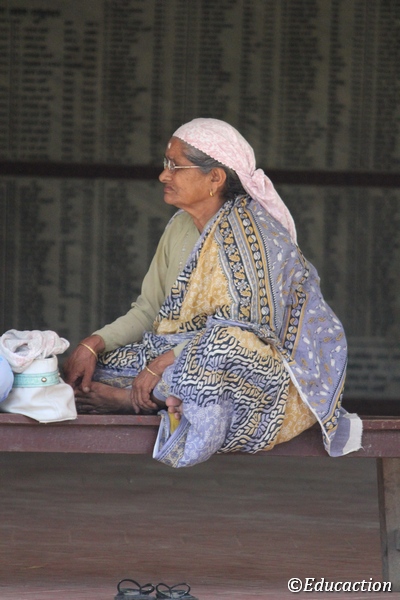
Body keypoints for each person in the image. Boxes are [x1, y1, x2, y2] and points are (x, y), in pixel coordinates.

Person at [64, 118, 362, 467]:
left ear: (215, 178)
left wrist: (159, 365)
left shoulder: (254, 234)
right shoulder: (178, 227)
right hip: (183, 357)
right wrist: (92, 345)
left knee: (222, 347)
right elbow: (148, 310)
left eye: (175, 166)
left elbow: (249, 331)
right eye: (165, 163)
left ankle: (136, 399)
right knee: (95, 372)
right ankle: (162, 396)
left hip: (260, 370)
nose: (163, 175)